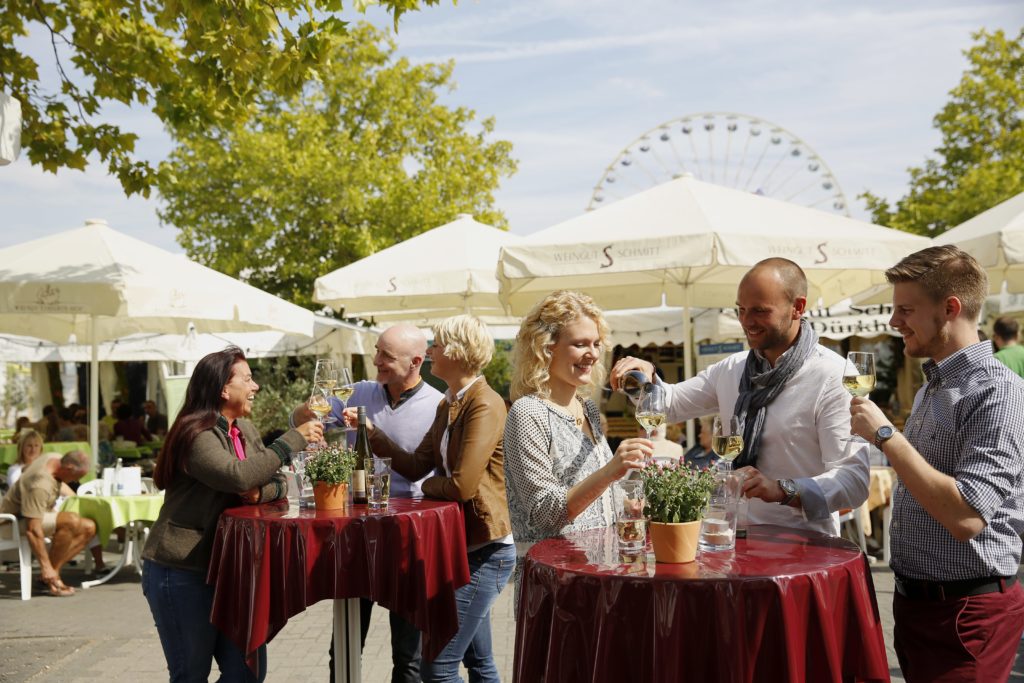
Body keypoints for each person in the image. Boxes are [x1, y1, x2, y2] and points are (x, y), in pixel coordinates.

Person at [849, 245, 1024, 682]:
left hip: (967, 613)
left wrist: (887, 436)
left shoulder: (998, 392)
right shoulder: (934, 384)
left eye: (905, 309)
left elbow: (965, 517)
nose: (894, 322)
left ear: (950, 308)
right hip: (920, 606)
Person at [612, 258, 869, 536]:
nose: (747, 321)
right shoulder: (732, 369)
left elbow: (853, 480)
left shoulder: (833, 375)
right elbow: (668, 404)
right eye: (741, 310)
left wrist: (783, 489)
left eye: (759, 311)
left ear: (798, 307)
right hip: (730, 539)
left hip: (800, 546)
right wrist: (644, 377)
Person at [345, 315, 513, 683]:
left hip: (486, 549)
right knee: (480, 663)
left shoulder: (484, 403)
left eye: (436, 345)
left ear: (457, 352)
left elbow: (461, 487)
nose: (431, 351)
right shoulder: (451, 402)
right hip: (462, 544)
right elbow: (416, 464)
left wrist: (427, 489)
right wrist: (371, 433)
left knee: (437, 667)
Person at [141, 346, 321, 683]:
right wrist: (292, 438)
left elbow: (274, 479)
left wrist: (261, 490)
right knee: (191, 675)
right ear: (224, 388)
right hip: (183, 571)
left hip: (232, 571)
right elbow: (238, 476)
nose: (255, 387)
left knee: (246, 671)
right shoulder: (196, 434)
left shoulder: (245, 430)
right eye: (248, 379)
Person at [292, 323, 442, 683]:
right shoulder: (357, 391)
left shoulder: (439, 406)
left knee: (408, 655)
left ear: (416, 361)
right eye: (376, 351)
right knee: (343, 645)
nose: (376, 361)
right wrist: (310, 413)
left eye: (386, 356)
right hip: (355, 535)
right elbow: (300, 419)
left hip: (408, 538)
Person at [503, 290, 652, 603]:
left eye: (596, 344)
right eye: (580, 343)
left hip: (599, 576)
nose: (593, 354)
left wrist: (634, 492)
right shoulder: (527, 412)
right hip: (556, 586)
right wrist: (611, 472)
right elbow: (545, 514)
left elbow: (602, 498)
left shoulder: (588, 409)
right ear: (546, 348)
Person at [0, 450, 96, 596]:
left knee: (89, 527)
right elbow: (32, 530)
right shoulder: (40, 484)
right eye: (76, 477)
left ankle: (50, 575)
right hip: (10, 523)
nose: (75, 481)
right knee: (70, 520)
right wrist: (45, 566)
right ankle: (50, 575)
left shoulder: (55, 457)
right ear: (68, 467)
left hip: (35, 514)